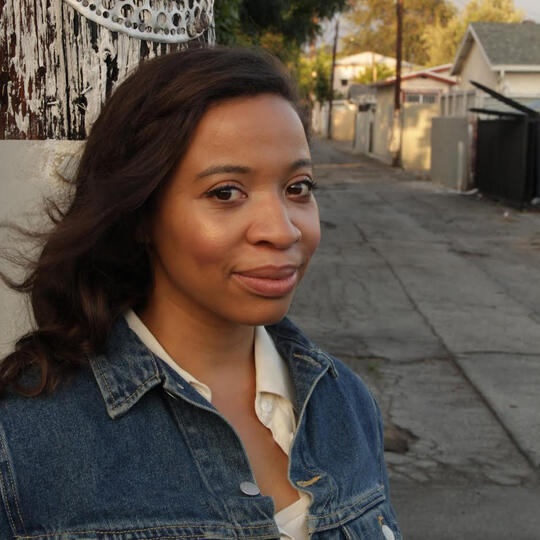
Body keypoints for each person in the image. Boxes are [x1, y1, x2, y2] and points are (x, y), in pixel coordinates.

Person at [0, 46, 400, 540]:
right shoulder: (25, 439)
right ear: (140, 215)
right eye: (226, 192)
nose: (282, 230)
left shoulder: (346, 402)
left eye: (298, 187)